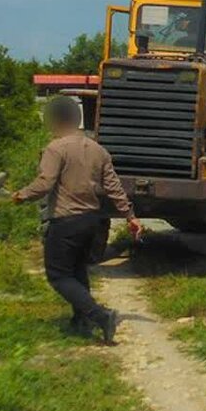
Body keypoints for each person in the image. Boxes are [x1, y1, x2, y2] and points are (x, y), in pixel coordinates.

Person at [12, 96, 142, 343]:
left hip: (66, 220)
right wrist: (130, 216)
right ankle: (81, 320)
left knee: (58, 275)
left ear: (56, 120)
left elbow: (45, 183)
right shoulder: (98, 150)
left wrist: (22, 195)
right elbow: (113, 187)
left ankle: (100, 315)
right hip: (91, 220)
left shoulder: (55, 149)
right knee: (77, 270)